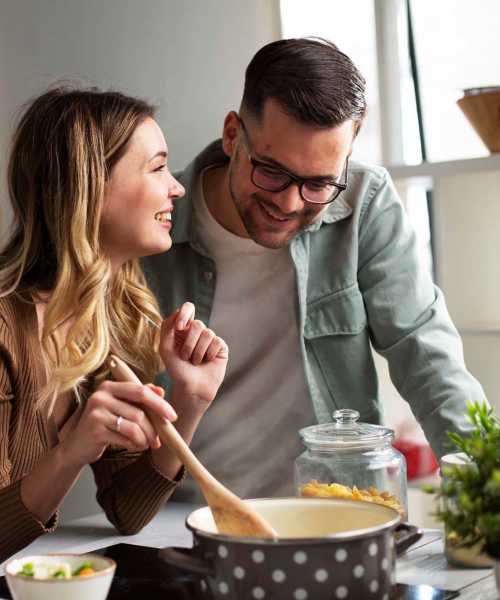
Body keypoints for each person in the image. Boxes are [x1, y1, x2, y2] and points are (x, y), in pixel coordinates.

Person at [143, 37, 485, 503]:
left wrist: (485, 489)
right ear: (231, 135)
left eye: (319, 183)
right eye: (271, 171)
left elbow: (426, 352)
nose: (288, 203)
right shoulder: (152, 222)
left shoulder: (365, 200)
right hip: (186, 520)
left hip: (337, 510)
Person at [0, 86, 228, 562]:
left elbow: (128, 509)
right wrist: (70, 451)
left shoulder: (107, 319)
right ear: (90, 189)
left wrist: (189, 403)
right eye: (157, 166)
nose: (178, 187)